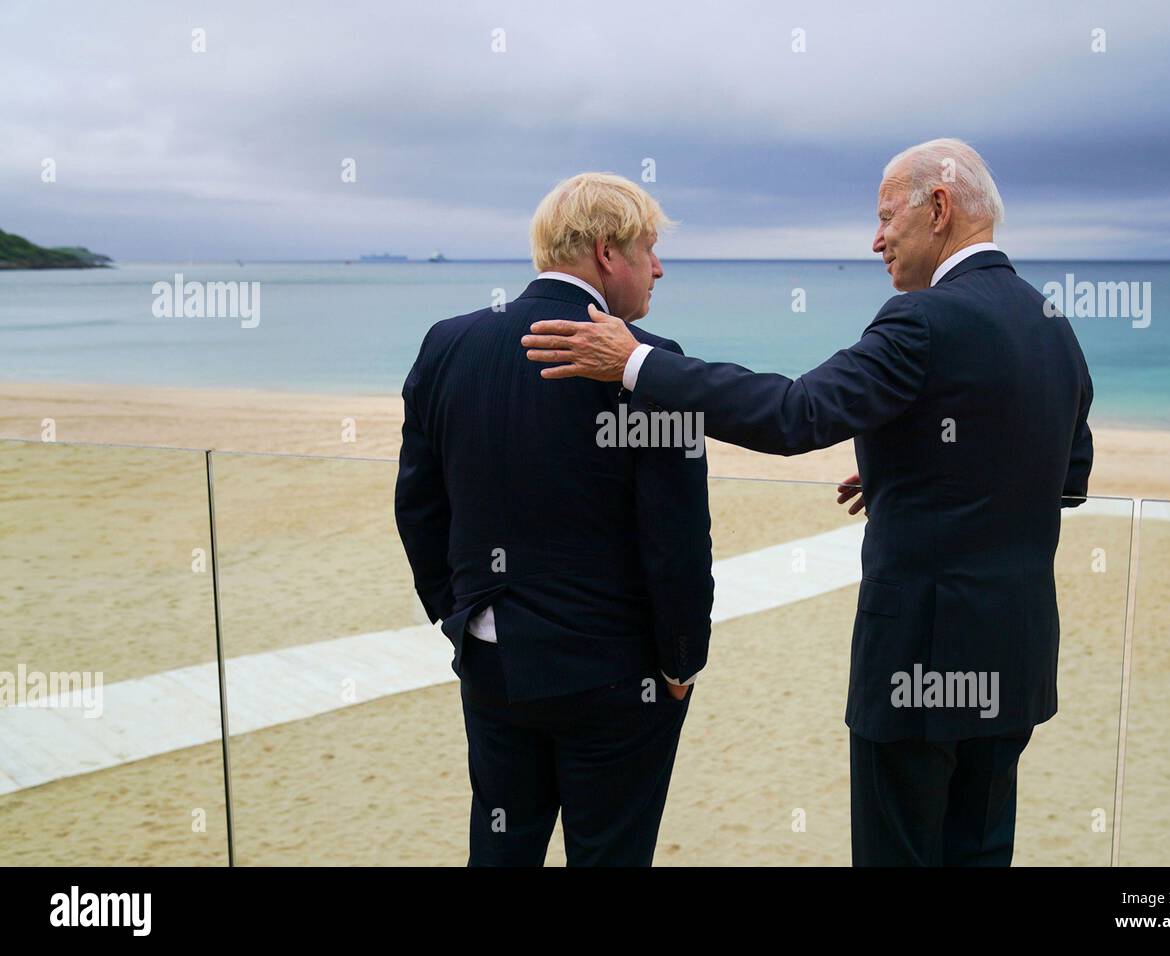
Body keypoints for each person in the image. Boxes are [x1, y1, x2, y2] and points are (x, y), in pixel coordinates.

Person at [520, 140, 1094, 866]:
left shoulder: (918, 320)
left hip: (919, 664)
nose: (876, 238)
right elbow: (1065, 475)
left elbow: (795, 415)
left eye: (887, 217)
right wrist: (906, 474)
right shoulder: (1052, 322)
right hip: (1017, 654)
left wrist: (635, 361)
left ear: (940, 209)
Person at [395, 172, 713, 866]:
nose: (658, 267)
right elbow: (677, 537)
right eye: (650, 249)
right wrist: (683, 659)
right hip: (617, 675)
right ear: (607, 252)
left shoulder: (448, 345)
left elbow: (418, 504)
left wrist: (461, 613)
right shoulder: (650, 369)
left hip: (492, 660)